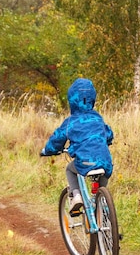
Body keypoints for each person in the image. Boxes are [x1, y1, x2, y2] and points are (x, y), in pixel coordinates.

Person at [40, 78, 114, 212]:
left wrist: (47, 150)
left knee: (70, 169)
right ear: (92, 98)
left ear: (72, 100)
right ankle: (103, 208)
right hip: (105, 161)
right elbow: (109, 134)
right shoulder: (98, 118)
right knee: (101, 186)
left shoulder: (71, 122)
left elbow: (57, 139)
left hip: (85, 162)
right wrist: (106, 141)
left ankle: (77, 195)